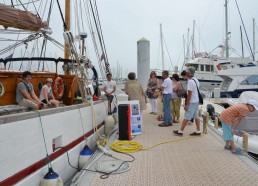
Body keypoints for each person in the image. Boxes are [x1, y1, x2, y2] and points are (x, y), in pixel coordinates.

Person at [173, 67, 201, 135]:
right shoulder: (195, 80)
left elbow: (189, 94)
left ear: (188, 73)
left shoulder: (190, 82)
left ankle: (180, 131)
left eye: (186, 72)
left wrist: (186, 104)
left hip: (192, 102)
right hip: (196, 100)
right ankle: (198, 131)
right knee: (196, 116)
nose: (185, 73)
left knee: (187, 116)